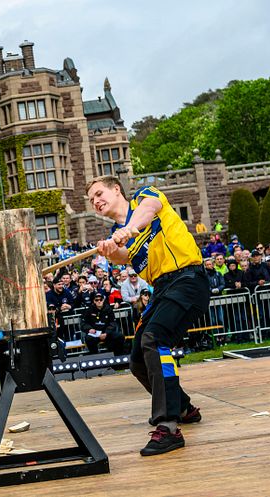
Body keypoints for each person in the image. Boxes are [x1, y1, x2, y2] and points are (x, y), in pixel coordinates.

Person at [87, 176, 208, 456]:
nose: (95, 201)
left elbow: (150, 208)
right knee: (138, 359)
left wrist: (128, 229)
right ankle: (182, 408)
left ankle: (168, 427)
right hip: (162, 289)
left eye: (99, 193)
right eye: (91, 199)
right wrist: (110, 251)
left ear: (116, 189)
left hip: (187, 278)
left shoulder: (144, 196)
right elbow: (124, 256)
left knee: (155, 339)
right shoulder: (118, 230)